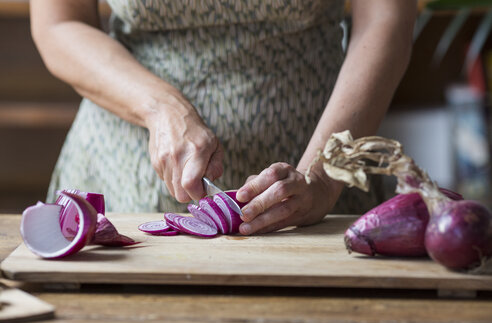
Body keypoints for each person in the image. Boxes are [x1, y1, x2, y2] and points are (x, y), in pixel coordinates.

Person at [31, 0, 416, 235]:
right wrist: (160, 107)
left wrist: (320, 178)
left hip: (321, 161)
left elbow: (387, 19)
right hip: (123, 177)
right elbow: (58, 24)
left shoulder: (322, 178)